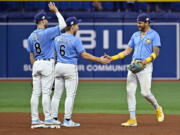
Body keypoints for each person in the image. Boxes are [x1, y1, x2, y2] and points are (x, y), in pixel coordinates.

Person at [51, 16, 110, 127]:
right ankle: (67, 120)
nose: (78, 26)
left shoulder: (57, 38)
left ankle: (53, 119)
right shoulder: (75, 39)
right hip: (69, 67)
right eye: (77, 25)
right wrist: (99, 60)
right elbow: (84, 55)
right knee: (70, 95)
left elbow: (53, 54)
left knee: (56, 95)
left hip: (58, 66)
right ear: (72, 26)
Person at [110, 13, 164, 127]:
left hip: (145, 66)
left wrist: (147, 60)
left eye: (140, 22)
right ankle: (132, 119)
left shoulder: (154, 35)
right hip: (134, 64)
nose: (138, 24)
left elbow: (156, 52)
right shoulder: (135, 35)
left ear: (147, 22)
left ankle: (157, 107)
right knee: (130, 91)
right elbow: (127, 51)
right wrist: (112, 57)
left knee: (145, 93)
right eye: (138, 22)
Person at [27, 2, 66, 128]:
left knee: (35, 93)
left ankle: (35, 119)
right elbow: (63, 25)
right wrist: (56, 11)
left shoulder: (31, 36)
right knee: (46, 93)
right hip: (46, 63)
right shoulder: (47, 32)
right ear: (42, 21)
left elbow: (31, 55)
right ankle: (48, 119)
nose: (47, 22)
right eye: (46, 20)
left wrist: (34, 69)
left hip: (36, 64)